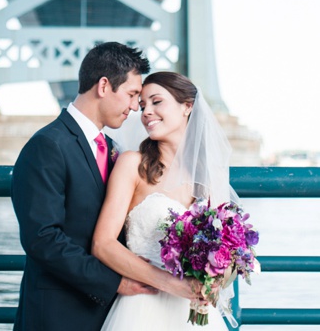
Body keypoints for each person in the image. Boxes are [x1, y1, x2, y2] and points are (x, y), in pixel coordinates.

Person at [12, 42, 195, 331]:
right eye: (133, 95)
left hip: (117, 312)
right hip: (60, 313)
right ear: (104, 86)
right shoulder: (47, 145)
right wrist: (115, 282)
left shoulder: (113, 150)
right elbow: (42, 238)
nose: (136, 107)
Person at [92, 71, 234, 331]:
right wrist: (170, 283)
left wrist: (215, 279)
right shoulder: (132, 164)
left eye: (156, 102)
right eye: (143, 105)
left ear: (187, 107)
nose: (146, 112)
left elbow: (229, 252)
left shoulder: (208, 174)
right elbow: (102, 244)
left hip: (196, 313)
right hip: (143, 310)